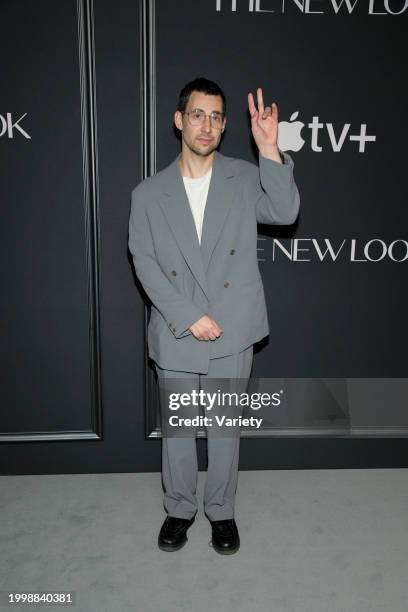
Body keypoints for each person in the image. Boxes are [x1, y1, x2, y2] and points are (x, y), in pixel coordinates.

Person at [128, 77, 300, 554]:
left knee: (225, 427)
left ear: (226, 127)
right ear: (179, 121)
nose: (208, 125)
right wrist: (188, 316)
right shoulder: (148, 194)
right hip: (179, 329)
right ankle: (179, 509)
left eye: (217, 117)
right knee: (179, 431)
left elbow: (285, 213)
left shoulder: (244, 177)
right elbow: (144, 262)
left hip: (232, 328)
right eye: (198, 115)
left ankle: (221, 511)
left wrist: (270, 150)